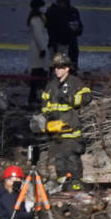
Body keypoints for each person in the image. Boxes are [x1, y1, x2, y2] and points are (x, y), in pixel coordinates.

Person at [38, 53, 92, 191]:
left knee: (72, 157)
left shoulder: (75, 83)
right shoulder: (51, 85)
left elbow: (87, 97)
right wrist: (42, 119)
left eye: (60, 67)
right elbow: (45, 105)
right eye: (55, 67)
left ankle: (76, 183)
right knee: (59, 160)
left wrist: (71, 99)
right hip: (55, 130)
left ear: (67, 68)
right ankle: (62, 184)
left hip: (71, 128)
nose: (57, 70)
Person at [46, 0, 84, 70]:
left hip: (67, 44)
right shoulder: (53, 11)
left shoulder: (53, 11)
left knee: (66, 68)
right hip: (61, 44)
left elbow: (79, 27)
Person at [26, 0, 49, 106]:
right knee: (39, 74)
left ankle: (34, 96)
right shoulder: (35, 20)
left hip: (40, 49)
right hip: (39, 50)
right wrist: (43, 48)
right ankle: (35, 97)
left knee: (37, 74)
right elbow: (38, 35)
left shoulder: (38, 18)